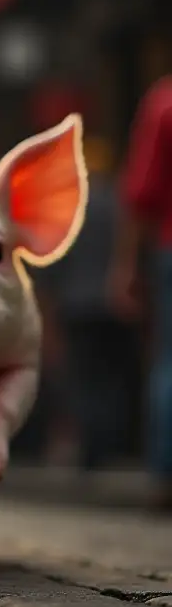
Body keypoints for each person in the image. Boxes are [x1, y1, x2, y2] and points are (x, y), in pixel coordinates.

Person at [38, 137, 137, 471]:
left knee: (82, 379)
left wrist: (48, 315)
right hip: (112, 305)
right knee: (112, 378)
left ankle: (90, 452)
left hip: (76, 306)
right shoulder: (120, 205)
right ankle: (112, 447)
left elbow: (52, 266)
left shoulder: (70, 208)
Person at [109, 74, 172, 510]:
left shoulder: (164, 103)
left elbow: (142, 193)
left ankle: (166, 476)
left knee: (169, 362)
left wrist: (127, 265)